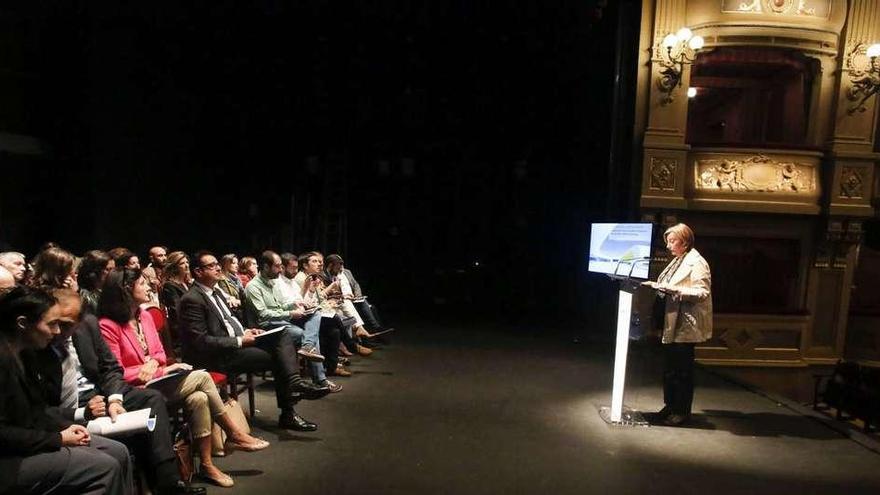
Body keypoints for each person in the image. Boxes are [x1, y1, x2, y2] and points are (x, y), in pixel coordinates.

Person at [98, 268, 269, 488]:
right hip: (135, 391)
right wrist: (158, 369)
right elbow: (115, 371)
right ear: (125, 290)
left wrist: (153, 364)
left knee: (198, 398)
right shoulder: (107, 325)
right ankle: (233, 432)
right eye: (142, 283)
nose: (149, 286)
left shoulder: (145, 314)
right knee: (203, 378)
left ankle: (207, 465)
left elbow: (159, 354)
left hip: (158, 381)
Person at [25, 289, 205, 494]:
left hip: (100, 394)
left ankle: (168, 482)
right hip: (69, 406)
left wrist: (115, 400)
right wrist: (82, 412)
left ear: (79, 320)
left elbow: (110, 368)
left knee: (151, 399)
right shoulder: (36, 343)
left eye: (67, 324)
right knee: (125, 445)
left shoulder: (88, 325)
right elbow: (39, 406)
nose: (59, 331)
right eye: (56, 323)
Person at [0, 286, 133, 494]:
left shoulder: (27, 354)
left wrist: (66, 428)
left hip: (32, 441)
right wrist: (58, 438)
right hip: (10, 461)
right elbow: (4, 432)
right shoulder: (4, 360)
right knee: (103, 468)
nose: (57, 332)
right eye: (52, 324)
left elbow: (37, 412)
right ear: (23, 324)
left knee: (118, 451)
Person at [178, 251, 330, 431]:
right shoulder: (192, 299)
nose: (218, 267)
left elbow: (229, 322)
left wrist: (246, 330)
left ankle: (294, 384)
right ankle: (289, 408)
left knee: (283, 336)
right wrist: (240, 340)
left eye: (217, 263)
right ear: (198, 271)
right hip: (218, 355)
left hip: (235, 342)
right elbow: (201, 342)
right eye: (211, 265)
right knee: (280, 357)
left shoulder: (215, 292)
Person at [643, 223, 713, 427]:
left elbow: (702, 293)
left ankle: (681, 411)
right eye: (668, 241)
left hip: (686, 325)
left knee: (682, 370)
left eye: (673, 241)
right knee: (670, 368)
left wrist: (668, 288)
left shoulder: (697, 262)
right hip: (671, 322)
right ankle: (670, 405)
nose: (668, 246)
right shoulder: (677, 260)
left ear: (685, 241)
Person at [77, 250, 116, 316]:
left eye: (114, 269)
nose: (114, 273)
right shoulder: (83, 295)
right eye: (108, 269)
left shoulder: (114, 290)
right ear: (94, 273)